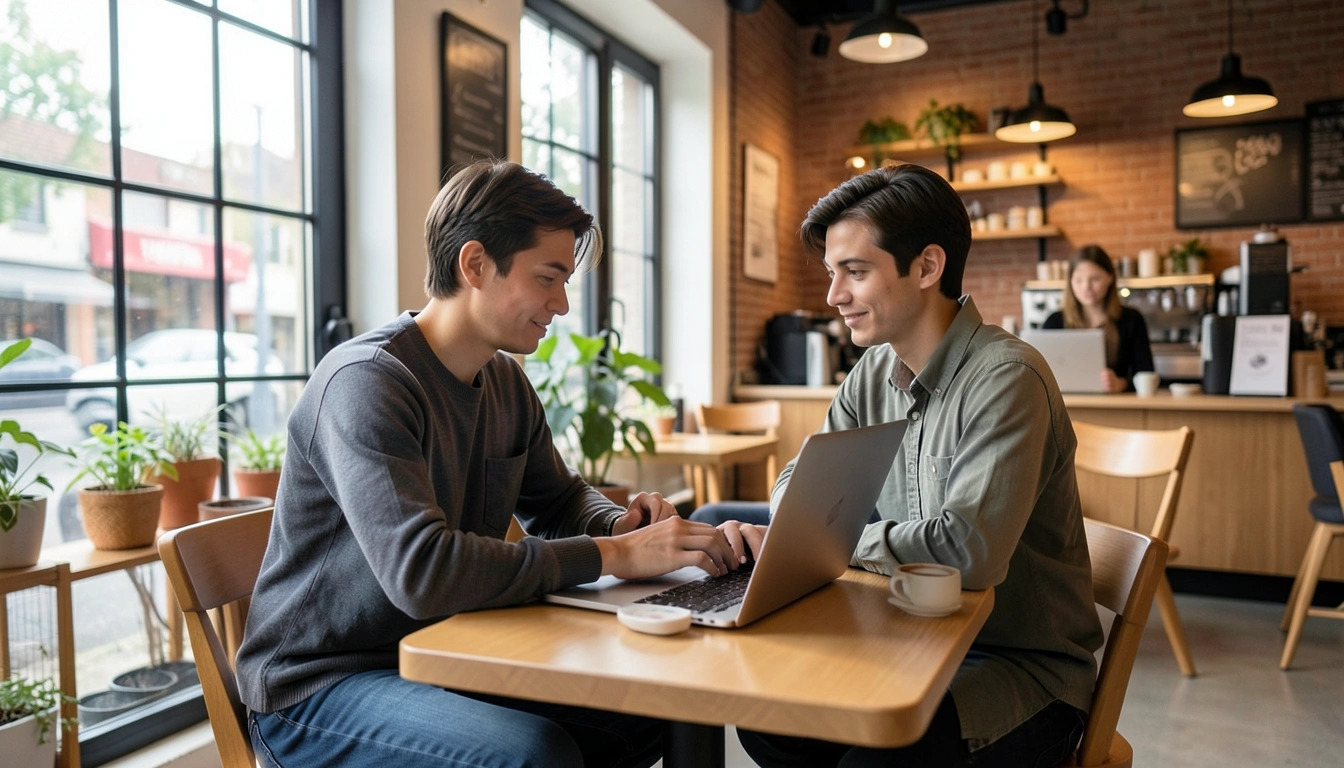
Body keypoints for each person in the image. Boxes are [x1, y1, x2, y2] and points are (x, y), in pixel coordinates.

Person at [236, 159, 740, 768]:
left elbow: (556, 500)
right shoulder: (365, 384)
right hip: (317, 689)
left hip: (447, 646)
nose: (560, 303)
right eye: (548, 277)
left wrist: (618, 526)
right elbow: (422, 572)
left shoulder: (503, 380)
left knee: (654, 710)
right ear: (474, 265)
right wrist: (615, 557)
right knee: (535, 755)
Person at [714, 163, 1104, 768]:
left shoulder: (1007, 378)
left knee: (874, 759)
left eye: (855, 271)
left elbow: (968, 553)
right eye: (831, 273)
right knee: (768, 723)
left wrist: (828, 541)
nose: (833, 295)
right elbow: (798, 480)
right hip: (908, 637)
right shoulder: (873, 370)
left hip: (1019, 669)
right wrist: (808, 528)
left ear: (926, 267)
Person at [1043, 245, 1154, 393]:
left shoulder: (1131, 319)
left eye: (1094, 279)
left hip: (1117, 408)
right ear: (1070, 282)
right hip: (1065, 404)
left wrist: (1121, 384)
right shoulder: (1054, 322)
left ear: (1110, 278)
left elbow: (1146, 373)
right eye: (1078, 280)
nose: (1086, 287)